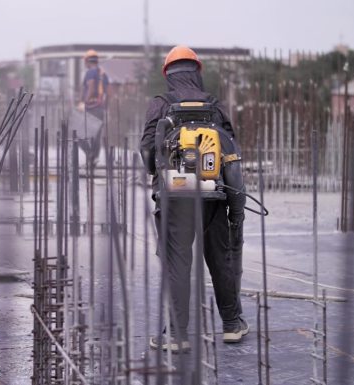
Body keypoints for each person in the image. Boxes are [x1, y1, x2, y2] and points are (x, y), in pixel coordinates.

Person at [140, 46, 247, 351]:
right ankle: (231, 325)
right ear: (197, 72)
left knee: (177, 264)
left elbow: (147, 151)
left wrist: (157, 170)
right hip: (214, 196)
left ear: (168, 75)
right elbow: (232, 158)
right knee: (221, 260)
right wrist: (235, 213)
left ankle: (176, 334)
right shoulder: (214, 106)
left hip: (174, 200)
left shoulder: (160, 105)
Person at [77, 49, 109, 165]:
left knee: (79, 134)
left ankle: (90, 154)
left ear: (87, 61)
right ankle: (93, 158)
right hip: (100, 108)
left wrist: (84, 102)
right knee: (96, 135)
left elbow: (90, 87)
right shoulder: (103, 73)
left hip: (91, 108)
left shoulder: (91, 72)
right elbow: (107, 92)